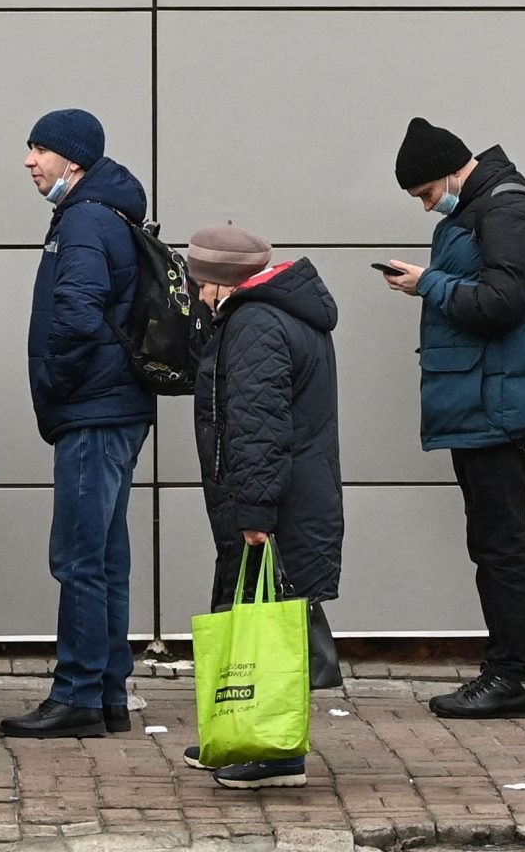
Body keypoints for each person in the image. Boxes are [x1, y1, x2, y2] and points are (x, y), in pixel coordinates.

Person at [375, 117, 525, 720]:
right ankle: (503, 670)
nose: (429, 207)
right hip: (481, 398)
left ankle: (510, 677)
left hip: (493, 403)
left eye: (428, 194)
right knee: (492, 541)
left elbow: (505, 304)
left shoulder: (504, 212)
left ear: (453, 171)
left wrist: (430, 284)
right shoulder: (480, 210)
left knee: (500, 543)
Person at [5, 108, 154, 740]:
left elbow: (78, 314)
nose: (28, 161)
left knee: (78, 557)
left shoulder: (86, 219)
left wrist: (57, 384)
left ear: (73, 160)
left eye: (38, 149)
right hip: (117, 405)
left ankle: (78, 693)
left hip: (93, 409)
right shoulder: (107, 211)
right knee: (105, 555)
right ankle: (108, 691)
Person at [185, 225, 344, 791]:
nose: (198, 293)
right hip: (289, 493)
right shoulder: (280, 313)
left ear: (222, 281)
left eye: (201, 281)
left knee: (271, 623)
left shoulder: (255, 323)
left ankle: (275, 752)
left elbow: (257, 424)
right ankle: (241, 728)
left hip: (273, 500)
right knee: (260, 614)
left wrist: (253, 512)